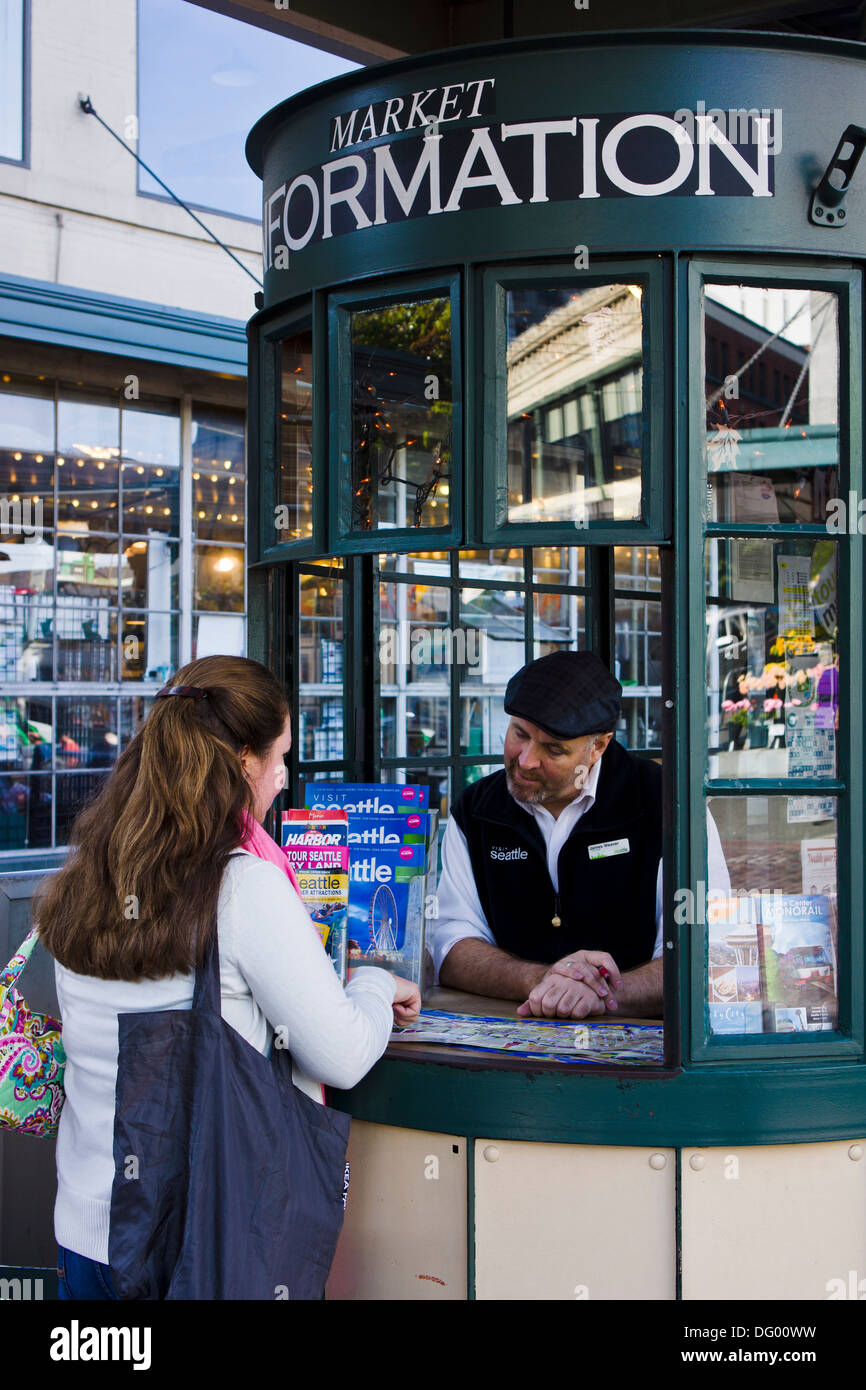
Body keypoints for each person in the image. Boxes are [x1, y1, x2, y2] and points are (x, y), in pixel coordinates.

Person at [35, 654, 420, 1300]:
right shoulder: (242, 886)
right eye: (279, 759)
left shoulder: (87, 877)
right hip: (201, 1243)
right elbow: (344, 1053)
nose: (284, 778)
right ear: (243, 762)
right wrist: (377, 985)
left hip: (85, 1237)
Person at [431, 650, 730, 1020]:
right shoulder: (475, 810)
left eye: (553, 749)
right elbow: (451, 943)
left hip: (648, 1054)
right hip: (513, 1043)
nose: (525, 760)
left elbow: (705, 947)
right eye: (519, 734)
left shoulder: (668, 803)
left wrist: (598, 995)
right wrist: (544, 980)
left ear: (599, 746)